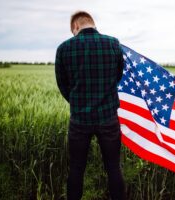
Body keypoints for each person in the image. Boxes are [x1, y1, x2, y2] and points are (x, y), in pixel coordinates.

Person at [55, 11, 126, 200]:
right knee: (113, 167)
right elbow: (117, 76)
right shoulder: (113, 44)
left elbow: (63, 84)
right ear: (92, 24)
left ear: (75, 26)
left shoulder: (63, 49)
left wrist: (79, 102)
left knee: (77, 168)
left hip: (79, 120)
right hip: (108, 118)